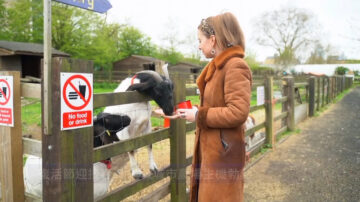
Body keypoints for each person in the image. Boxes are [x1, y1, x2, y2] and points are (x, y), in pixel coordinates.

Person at [160, 12, 252, 202]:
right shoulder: (218, 67)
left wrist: (199, 115)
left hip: (223, 157)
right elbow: (214, 106)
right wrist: (184, 111)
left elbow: (238, 112)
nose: (199, 45)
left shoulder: (235, 66)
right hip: (213, 153)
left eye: (200, 40)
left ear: (213, 39)